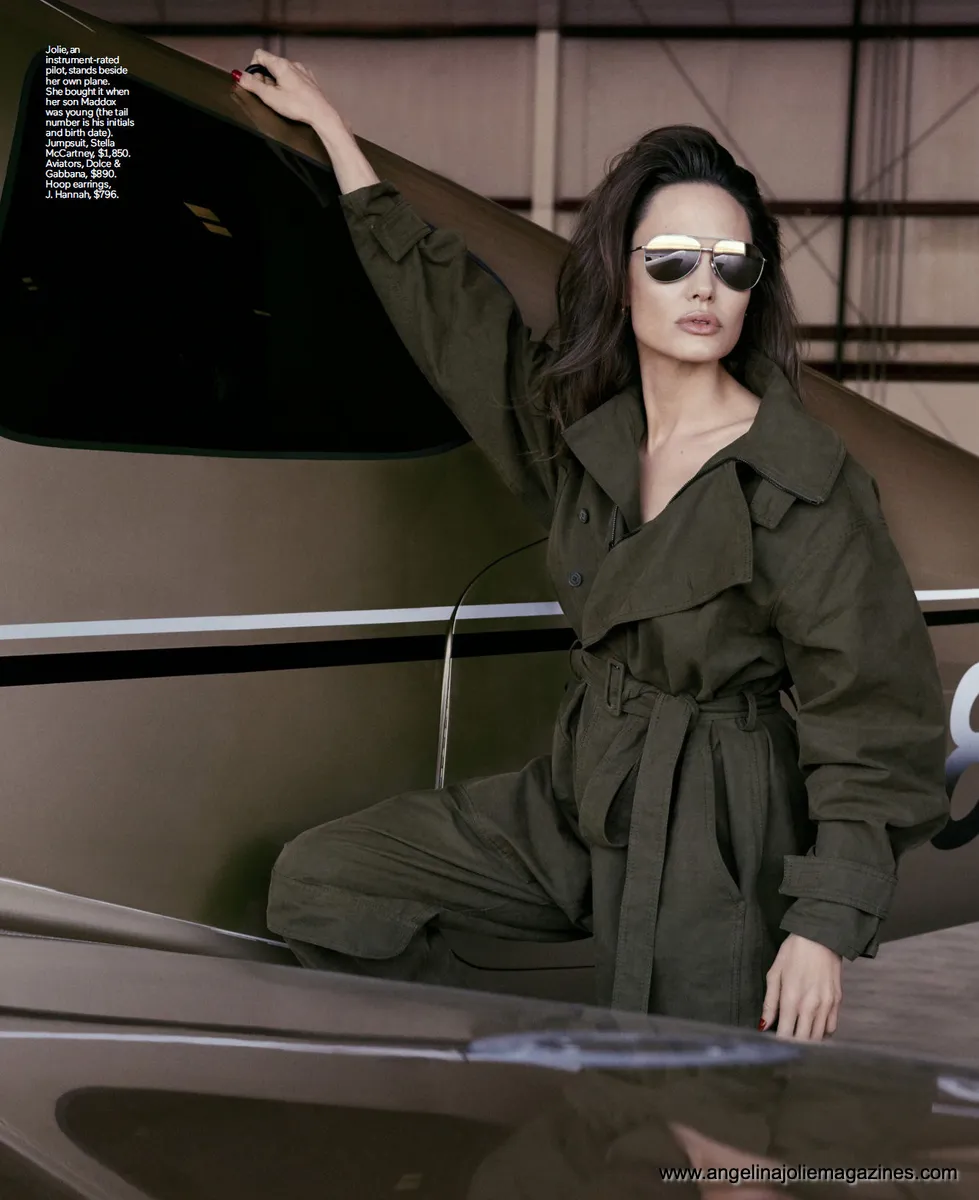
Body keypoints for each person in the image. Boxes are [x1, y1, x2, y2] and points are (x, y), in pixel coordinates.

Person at [231, 50, 950, 1041]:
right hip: (583, 791)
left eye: (732, 264)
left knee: (688, 1108)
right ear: (619, 280)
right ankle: (501, 1081)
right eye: (672, 260)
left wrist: (821, 926)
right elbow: (462, 330)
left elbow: (870, 713)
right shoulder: (586, 436)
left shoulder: (801, 480)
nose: (704, 287)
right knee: (328, 883)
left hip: (715, 825)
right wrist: (335, 138)